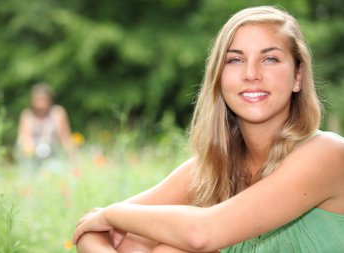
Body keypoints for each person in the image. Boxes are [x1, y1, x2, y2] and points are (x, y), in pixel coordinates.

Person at [73, 6, 344, 253]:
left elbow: (201, 234)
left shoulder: (328, 154)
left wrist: (110, 215)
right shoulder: (210, 169)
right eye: (235, 60)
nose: (251, 73)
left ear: (297, 77)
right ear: (219, 76)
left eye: (270, 59)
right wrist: (108, 221)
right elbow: (90, 232)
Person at [16, 83, 75, 165]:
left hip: (53, 155)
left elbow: (65, 138)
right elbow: (24, 138)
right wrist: (32, 151)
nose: (41, 103)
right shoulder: (27, 115)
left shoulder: (57, 114)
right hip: (32, 156)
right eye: (38, 99)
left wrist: (74, 157)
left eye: (43, 99)